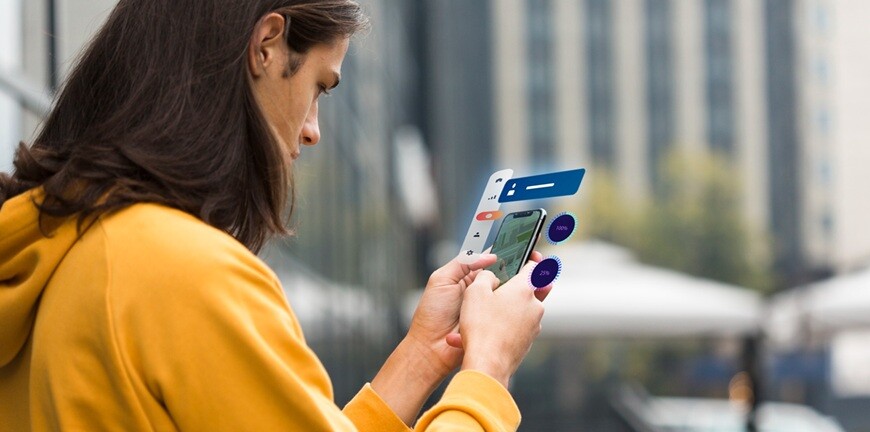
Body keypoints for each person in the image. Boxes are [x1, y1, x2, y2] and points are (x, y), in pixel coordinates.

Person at [0, 0, 553, 430]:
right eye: (318, 86)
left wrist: (420, 357)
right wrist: (487, 374)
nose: (313, 129)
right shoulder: (179, 272)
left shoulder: (64, 248)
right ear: (266, 44)